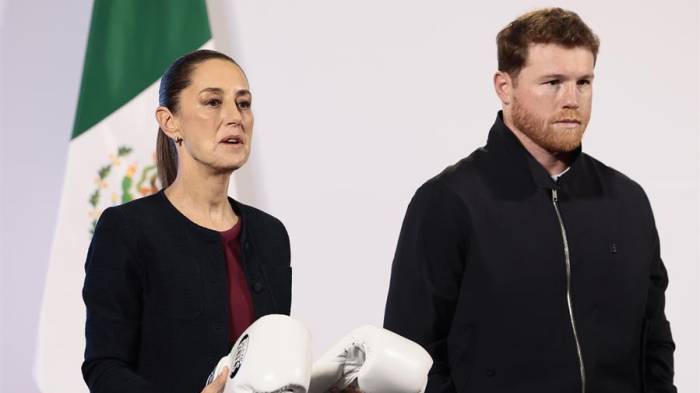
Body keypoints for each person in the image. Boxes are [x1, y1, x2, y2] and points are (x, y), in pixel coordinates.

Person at [383, 8, 676, 393]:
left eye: (583, 82)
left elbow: (654, 341)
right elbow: (410, 358)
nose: (572, 99)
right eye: (553, 82)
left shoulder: (627, 200)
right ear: (505, 87)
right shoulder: (449, 202)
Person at [82, 50, 292, 393]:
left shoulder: (271, 235)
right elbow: (104, 368)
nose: (234, 117)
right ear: (170, 122)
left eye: (243, 103)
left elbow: (270, 369)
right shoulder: (127, 230)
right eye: (212, 102)